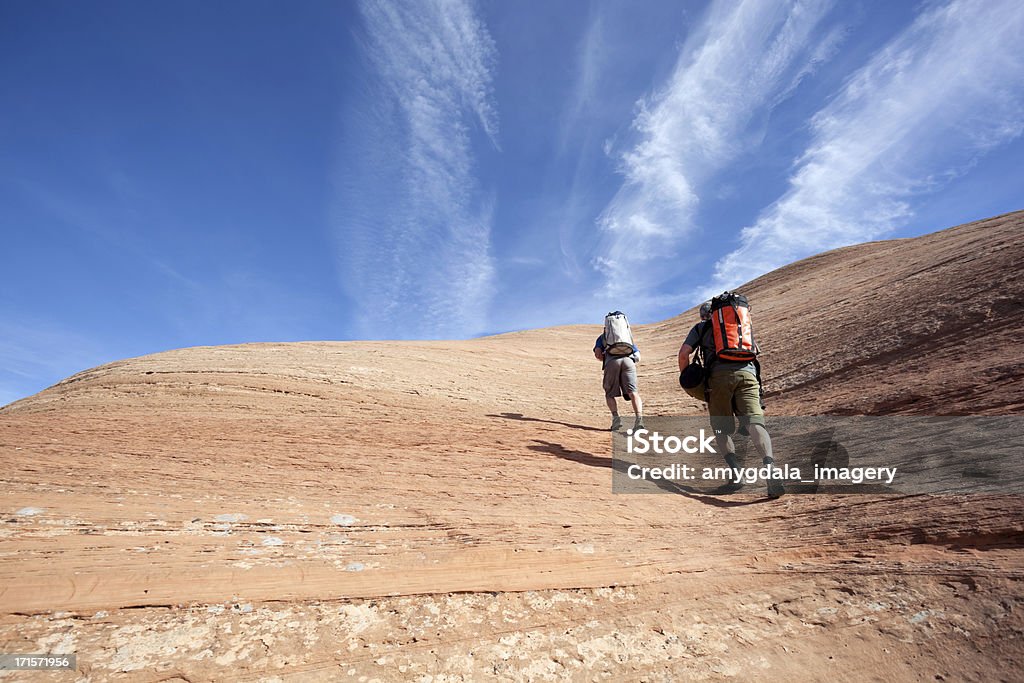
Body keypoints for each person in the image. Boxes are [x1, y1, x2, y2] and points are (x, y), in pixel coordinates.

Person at [678, 299, 784, 498]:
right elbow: (755, 351)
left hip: (719, 379)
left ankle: (737, 474)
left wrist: (687, 378)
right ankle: (770, 466)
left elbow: (684, 353)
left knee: (721, 429)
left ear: (704, 316)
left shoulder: (701, 328)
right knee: (755, 423)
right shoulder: (739, 326)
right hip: (748, 375)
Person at [594, 326, 644, 432]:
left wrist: (607, 356)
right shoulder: (626, 337)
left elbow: (598, 355)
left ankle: (616, 420)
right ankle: (639, 421)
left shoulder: (602, 338)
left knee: (609, 394)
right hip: (628, 362)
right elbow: (638, 357)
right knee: (633, 392)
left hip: (611, 362)